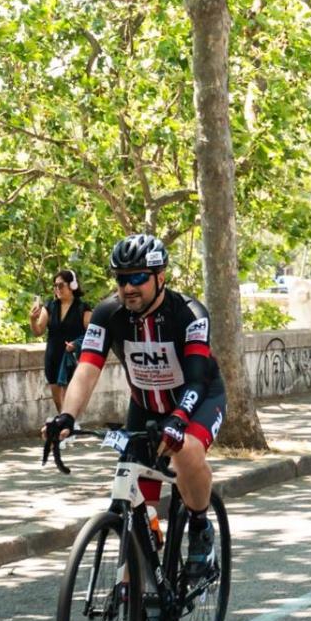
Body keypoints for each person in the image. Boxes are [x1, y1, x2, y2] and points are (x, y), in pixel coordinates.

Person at [42, 235, 226, 587]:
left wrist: (178, 419)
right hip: (145, 407)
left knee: (184, 450)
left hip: (198, 398)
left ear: (161, 276)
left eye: (138, 277)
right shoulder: (108, 314)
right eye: (121, 278)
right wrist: (67, 416)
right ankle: (130, 604)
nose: (128, 286)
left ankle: (200, 527)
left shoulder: (189, 313)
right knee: (135, 505)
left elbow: (198, 378)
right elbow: (88, 367)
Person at [29, 269, 92, 411]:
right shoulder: (50, 306)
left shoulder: (83, 308)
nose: (57, 289)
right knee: (58, 401)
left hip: (72, 358)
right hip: (53, 357)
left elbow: (92, 335)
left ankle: (69, 425)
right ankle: (65, 426)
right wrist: (32, 319)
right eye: (55, 286)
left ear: (72, 285)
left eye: (61, 285)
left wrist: (76, 344)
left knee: (70, 398)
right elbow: (38, 331)